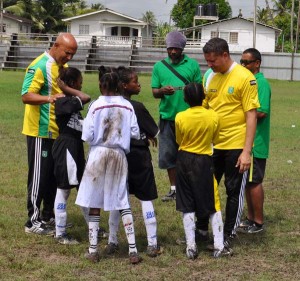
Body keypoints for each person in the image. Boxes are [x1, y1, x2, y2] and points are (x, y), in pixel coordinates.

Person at [75, 69, 142, 264]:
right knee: (123, 201)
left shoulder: (95, 105)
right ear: (119, 87)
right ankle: (133, 250)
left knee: (95, 202)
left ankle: (93, 249)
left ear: (100, 86)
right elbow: (135, 132)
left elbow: (86, 135)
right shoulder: (127, 106)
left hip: (98, 153)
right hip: (119, 155)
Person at [200, 38, 260, 248]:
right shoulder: (210, 77)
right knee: (207, 187)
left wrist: (246, 151)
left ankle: (227, 234)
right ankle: (202, 231)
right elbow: (204, 109)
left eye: (213, 60)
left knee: (232, 190)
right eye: (207, 61)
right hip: (212, 145)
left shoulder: (245, 78)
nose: (210, 65)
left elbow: (251, 115)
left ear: (225, 55)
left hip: (236, 144)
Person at [21, 33, 78, 235]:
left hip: (57, 132)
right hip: (40, 131)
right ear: (56, 45)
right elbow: (26, 95)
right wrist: (49, 98)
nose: (69, 58)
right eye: (67, 53)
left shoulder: (60, 68)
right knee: (39, 176)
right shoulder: (40, 65)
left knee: (53, 176)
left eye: (73, 54)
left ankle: (49, 216)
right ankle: (33, 221)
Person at [107, 67, 162, 258]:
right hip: (138, 155)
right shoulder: (136, 107)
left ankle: (112, 241)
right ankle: (152, 243)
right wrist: (147, 135)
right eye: (135, 81)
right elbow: (155, 132)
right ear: (124, 85)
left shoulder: (109, 105)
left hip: (116, 156)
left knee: (117, 198)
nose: (138, 84)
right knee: (146, 198)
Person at [175, 82, 233, 259]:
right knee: (213, 203)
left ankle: (191, 247)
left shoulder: (180, 117)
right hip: (204, 160)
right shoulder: (213, 116)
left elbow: (180, 139)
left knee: (187, 203)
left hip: (184, 159)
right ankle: (219, 246)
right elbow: (215, 138)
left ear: (185, 99)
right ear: (204, 97)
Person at [151, 31, 202, 202]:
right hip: (167, 118)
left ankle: (190, 188)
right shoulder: (159, 66)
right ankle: (174, 189)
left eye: (176, 49)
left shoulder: (192, 65)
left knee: (189, 155)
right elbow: (154, 92)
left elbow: (198, 89)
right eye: (170, 48)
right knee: (168, 155)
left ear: (182, 49)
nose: (173, 52)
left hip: (189, 119)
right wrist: (162, 91)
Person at [52, 67, 91, 245]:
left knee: (83, 188)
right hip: (66, 147)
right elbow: (85, 97)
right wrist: (66, 89)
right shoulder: (63, 101)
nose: (81, 84)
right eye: (80, 81)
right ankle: (60, 232)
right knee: (64, 189)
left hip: (75, 147)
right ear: (74, 83)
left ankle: (93, 226)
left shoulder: (69, 100)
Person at [238, 48, 271, 233]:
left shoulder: (262, 83)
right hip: (247, 141)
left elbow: (262, 112)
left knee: (254, 181)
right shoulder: (249, 82)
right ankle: (250, 218)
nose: (243, 65)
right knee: (247, 182)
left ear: (257, 63)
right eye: (241, 61)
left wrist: (240, 114)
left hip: (256, 143)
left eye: (247, 62)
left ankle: (258, 222)